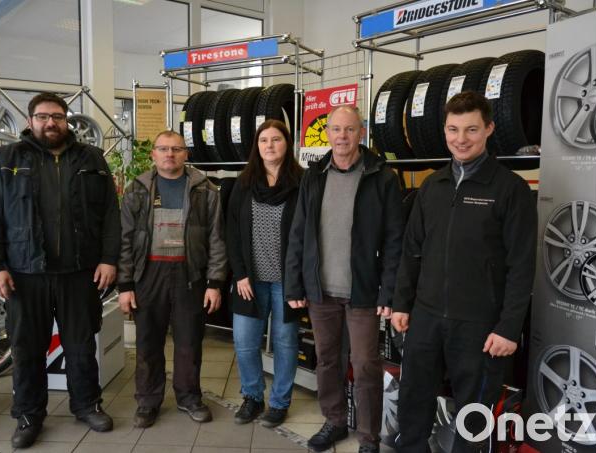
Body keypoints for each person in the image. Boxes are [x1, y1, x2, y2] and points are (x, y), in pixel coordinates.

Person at [391, 91, 538, 453]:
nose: (461, 139)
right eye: (453, 129)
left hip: (478, 325)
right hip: (425, 318)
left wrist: (508, 328)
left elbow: (522, 265)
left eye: (471, 129)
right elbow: (412, 251)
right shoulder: (432, 186)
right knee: (413, 402)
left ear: (488, 129)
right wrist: (401, 304)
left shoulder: (510, 189)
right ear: (444, 131)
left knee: (473, 416)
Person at [0, 92, 120, 449]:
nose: (50, 123)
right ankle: (28, 415)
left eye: (57, 116)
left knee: (80, 344)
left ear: (66, 120)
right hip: (26, 275)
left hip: (78, 273)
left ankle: (86, 404)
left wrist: (108, 259)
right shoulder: (9, 160)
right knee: (27, 348)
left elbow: (110, 216)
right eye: (42, 117)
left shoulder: (91, 159)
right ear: (30, 121)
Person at [285, 106, 405, 453]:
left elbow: (395, 239)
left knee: (365, 365)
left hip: (364, 292)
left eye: (348, 130)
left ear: (361, 132)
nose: (341, 136)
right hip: (320, 290)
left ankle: (368, 436)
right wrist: (295, 283)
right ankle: (335, 421)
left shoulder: (382, 176)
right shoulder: (314, 175)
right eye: (335, 129)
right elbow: (299, 233)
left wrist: (389, 289)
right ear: (329, 134)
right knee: (326, 360)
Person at [117, 130, 228, 428]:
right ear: (153, 154)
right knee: (148, 342)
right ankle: (147, 401)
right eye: (163, 149)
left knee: (189, 341)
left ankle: (189, 397)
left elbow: (217, 239)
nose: (170, 154)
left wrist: (215, 282)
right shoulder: (137, 190)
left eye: (176, 149)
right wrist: (125, 285)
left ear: (186, 154)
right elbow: (125, 240)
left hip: (189, 274)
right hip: (148, 275)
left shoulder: (205, 190)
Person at [226, 119, 304, 427]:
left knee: (286, 344)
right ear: (256, 147)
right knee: (245, 342)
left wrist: (300, 281)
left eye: (276, 140)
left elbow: (309, 234)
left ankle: (279, 403)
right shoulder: (242, 184)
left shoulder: (303, 183)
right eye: (263, 141)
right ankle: (253, 398)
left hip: (287, 283)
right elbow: (231, 232)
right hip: (250, 281)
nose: (269, 145)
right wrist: (240, 274)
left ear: (287, 144)